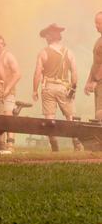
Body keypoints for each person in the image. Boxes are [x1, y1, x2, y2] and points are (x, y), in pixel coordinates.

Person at [32, 24, 83, 152]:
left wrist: (34, 90)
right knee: (70, 117)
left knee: (50, 117)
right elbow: (74, 72)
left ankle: (54, 144)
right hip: (64, 87)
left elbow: (37, 72)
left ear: (49, 37)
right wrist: (73, 88)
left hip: (48, 87)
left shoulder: (43, 52)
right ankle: (76, 143)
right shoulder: (68, 52)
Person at [0, 33, 21, 151]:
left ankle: (10, 145)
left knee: (8, 117)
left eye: (0, 44)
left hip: (8, 93)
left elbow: (18, 74)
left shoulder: (8, 56)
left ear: (4, 45)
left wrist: (8, 88)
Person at [84, 12, 102, 120]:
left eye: (99, 23)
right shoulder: (98, 41)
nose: (96, 25)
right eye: (96, 22)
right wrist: (88, 81)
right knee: (98, 113)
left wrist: (96, 80)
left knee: (100, 114)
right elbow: (95, 63)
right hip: (98, 83)